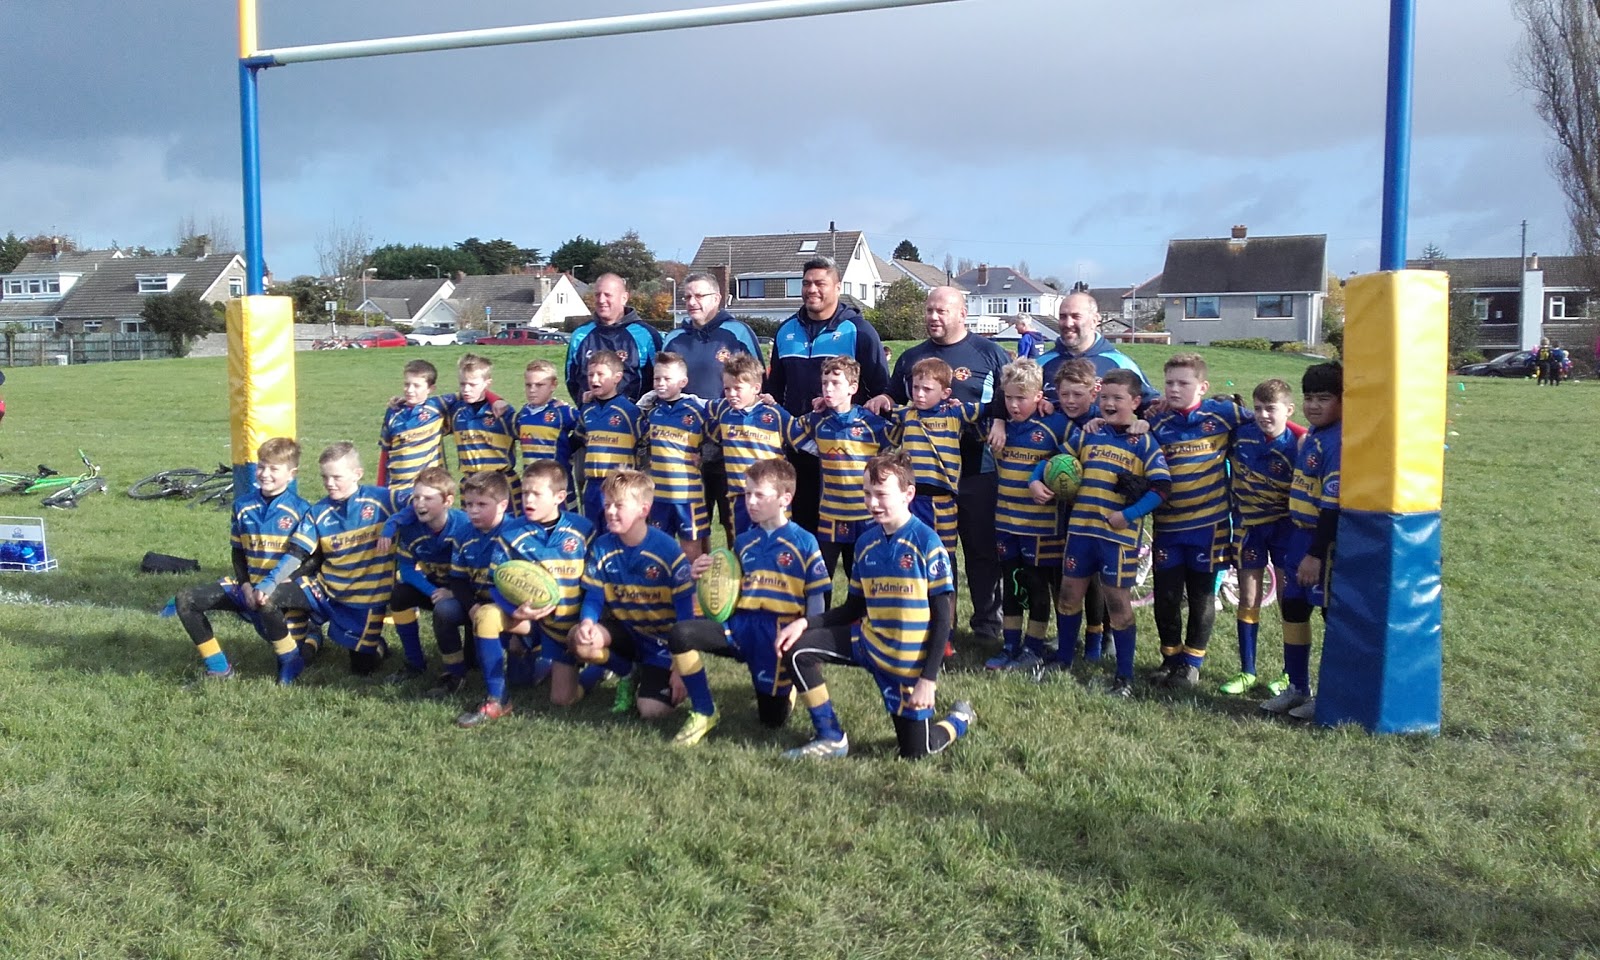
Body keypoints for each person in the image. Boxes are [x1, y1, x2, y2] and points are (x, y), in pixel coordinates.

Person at [775, 451, 975, 760]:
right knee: (797, 649)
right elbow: (853, 609)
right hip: (867, 643)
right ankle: (830, 736)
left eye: (881, 494)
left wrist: (928, 680)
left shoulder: (927, 543)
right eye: (867, 493)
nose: (872, 502)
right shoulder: (866, 542)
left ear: (909, 494)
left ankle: (959, 719)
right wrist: (805, 623)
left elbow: (942, 619)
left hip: (905, 661)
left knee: (916, 752)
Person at [867, 286, 1011, 645]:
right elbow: (895, 397)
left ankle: (986, 626)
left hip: (978, 470)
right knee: (935, 552)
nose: (933, 316)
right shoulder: (912, 356)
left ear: (963, 314)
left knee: (981, 551)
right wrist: (885, 397)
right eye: (929, 310)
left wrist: (1001, 420)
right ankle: (940, 624)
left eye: (941, 311)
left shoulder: (989, 353)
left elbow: (1011, 398)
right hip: (927, 480)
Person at [667, 458, 828, 747]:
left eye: (759, 495)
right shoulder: (743, 541)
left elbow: (816, 600)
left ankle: (786, 687)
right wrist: (700, 575)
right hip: (741, 627)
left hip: (777, 634)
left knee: (771, 720)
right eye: (747, 493)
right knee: (681, 634)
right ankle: (704, 710)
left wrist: (808, 645)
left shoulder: (805, 542)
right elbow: (727, 591)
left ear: (785, 499)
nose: (750, 502)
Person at [1051, 370, 1171, 698]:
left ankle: (1124, 677)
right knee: (1068, 595)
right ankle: (1063, 660)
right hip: (1081, 530)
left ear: (1135, 402)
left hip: (1118, 537)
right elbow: (1057, 461)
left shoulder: (1144, 441)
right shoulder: (1089, 433)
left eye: (1118, 398)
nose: (1109, 403)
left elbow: (1161, 488)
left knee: (1117, 603)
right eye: (1104, 397)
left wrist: (1127, 515)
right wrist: (1038, 480)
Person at [1143, 353, 1251, 688]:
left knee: (1202, 594)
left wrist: (1300, 433)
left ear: (1202, 387)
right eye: (1169, 382)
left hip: (1210, 526)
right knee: (1166, 596)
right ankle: (1170, 658)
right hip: (1168, 525)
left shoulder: (1224, 414)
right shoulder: (1157, 421)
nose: (1174, 389)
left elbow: (1264, 420)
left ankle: (1192, 663)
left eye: (1183, 383)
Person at [172, 438, 314, 684]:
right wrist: (245, 584)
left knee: (291, 640)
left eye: (274, 469)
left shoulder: (303, 510)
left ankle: (297, 654)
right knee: (186, 599)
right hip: (249, 588)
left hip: (282, 593)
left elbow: (312, 560)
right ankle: (219, 669)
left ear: (292, 474)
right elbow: (238, 552)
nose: (265, 474)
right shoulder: (242, 505)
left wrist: (279, 585)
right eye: (261, 466)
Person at [765, 256, 890, 532]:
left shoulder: (859, 331)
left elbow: (881, 390)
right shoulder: (786, 330)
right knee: (805, 531)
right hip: (799, 449)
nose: (812, 289)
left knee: (854, 538)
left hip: (846, 454)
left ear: (837, 286)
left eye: (820, 283)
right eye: (807, 283)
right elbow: (774, 390)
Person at [260, 443, 405, 677]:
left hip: (366, 600)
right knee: (274, 596)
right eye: (324, 477)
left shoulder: (384, 500)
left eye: (336, 477)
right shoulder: (319, 511)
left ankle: (375, 645)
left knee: (361, 670)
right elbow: (297, 552)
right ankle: (291, 658)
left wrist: (393, 526)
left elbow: (423, 501)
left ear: (357, 474)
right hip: (325, 589)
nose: (329, 483)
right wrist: (271, 581)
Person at [569, 468, 697, 720]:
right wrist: (587, 621)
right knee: (581, 639)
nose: (610, 511)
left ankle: (649, 673)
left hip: (662, 642)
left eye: (619, 505)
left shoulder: (667, 550)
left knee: (651, 711)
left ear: (644, 511)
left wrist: (680, 666)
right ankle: (626, 672)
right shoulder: (602, 546)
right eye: (607, 505)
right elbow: (594, 597)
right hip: (626, 632)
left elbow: (685, 614)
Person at [1261, 362, 1343, 720]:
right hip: (1296, 536)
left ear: (1343, 401)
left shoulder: (1339, 441)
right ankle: (1297, 687)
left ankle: (1330, 695)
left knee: (1329, 616)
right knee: (1292, 610)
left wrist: (1315, 555)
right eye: (1309, 397)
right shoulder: (1311, 435)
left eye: (1324, 398)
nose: (1314, 405)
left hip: (1319, 544)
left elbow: (1332, 507)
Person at [661, 272, 764, 547]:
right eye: (687, 296)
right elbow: (661, 384)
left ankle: (740, 586)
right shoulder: (674, 338)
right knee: (694, 526)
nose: (692, 302)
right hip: (686, 448)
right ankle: (698, 587)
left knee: (735, 524)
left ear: (717, 298)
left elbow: (757, 381)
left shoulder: (737, 333)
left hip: (731, 444)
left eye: (699, 296)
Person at [987, 358, 1073, 671]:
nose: (1013, 405)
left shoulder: (1055, 426)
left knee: (1037, 586)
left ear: (1039, 397)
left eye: (1021, 398)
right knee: (1011, 585)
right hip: (1005, 522)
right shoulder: (1000, 426)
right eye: (1008, 398)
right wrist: (997, 418)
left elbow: (1075, 457)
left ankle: (1033, 647)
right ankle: (1010, 644)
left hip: (1041, 526)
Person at [786, 356, 891, 601]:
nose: (828, 388)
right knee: (821, 580)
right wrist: (816, 448)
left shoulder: (871, 423)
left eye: (835, 383)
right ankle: (817, 629)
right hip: (831, 516)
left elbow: (895, 439)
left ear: (853, 388)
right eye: (824, 383)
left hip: (865, 516)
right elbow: (791, 430)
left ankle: (861, 628)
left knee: (865, 577)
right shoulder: (817, 420)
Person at [1222, 378, 1302, 697]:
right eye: (1258, 408)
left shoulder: (1299, 444)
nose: (1264, 415)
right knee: (1249, 597)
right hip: (1248, 528)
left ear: (1289, 410)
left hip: (1285, 528)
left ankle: (1289, 674)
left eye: (1271, 409)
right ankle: (1247, 672)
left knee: (1288, 600)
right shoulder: (1241, 436)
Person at [511, 460, 601, 710]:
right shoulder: (511, 533)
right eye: (524, 492)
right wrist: (514, 611)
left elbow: (595, 584)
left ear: (559, 497)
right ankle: (536, 656)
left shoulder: (582, 529)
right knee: (520, 683)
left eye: (536, 494)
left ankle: (601, 669)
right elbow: (498, 582)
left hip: (574, 621)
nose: (528, 499)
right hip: (536, 622)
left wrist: (589, 620)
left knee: (562, 700)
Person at [445, 470, 529, 726]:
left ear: (503, 505)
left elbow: (531, 586)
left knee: (524, 680)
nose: (473, 511)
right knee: (445, 610)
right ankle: (461, 676)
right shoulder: (463, 534)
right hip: (481, 606)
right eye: (468, 504)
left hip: (519, 611)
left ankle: (535, 653)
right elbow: (457, 580)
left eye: (482, 504)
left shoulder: (517, 532)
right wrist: (470, 606)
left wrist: (518, 629)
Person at [379, 466, 475, 683]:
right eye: (416, 497)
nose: (420, 504)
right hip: (436, 590)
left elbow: (477, 574)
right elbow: (406, 570)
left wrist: (453, 593)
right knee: (400, 594)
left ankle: (462, 667)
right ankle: (415, 663)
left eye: (428, 498)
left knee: (474, 661)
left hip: (467, 593)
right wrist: (434, 592)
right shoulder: (410, 527)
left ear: (448, 501)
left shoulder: (465, 526)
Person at [1041, 359, 1109, 668]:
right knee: (1063, 573)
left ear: (1094, 392)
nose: (1070, 401)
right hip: (1062, 509)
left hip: (1098, 513)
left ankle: (1098, 638)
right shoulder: (1052, 415)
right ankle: (1068, 634)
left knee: (1095, 578)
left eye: (1077, 395)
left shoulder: (1102, 420)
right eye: (1064, 394)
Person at [705, 352, 794, 536]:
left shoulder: (775, 414)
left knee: (776, 547)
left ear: (756, 388)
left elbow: (802, 436)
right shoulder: (722, 411)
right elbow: (697, 408)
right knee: (743, 548)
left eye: (737, 388)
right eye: (727, 389)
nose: (731, 394)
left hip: (772, 496)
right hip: (739, 496)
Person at [1038, 291, 1158, 410]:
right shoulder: (1039, 364)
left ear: (1095, 320)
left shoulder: (1121, 363)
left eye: (1076, 316)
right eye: (1063, 317)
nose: (1068, 323)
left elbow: (1152, 408)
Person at [642, 352, 709, 562]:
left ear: (683, 382)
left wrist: (704, 455)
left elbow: (718, 437)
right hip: (659, 496)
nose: (660, 384)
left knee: (691, 550)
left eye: (667, 379)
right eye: (657, 379)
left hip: (688, 497)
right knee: (659, 549)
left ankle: (693, 594)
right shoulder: (651, 411)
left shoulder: (697, 410)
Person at [564, 273, 663, 404]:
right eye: (597, 295)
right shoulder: (580, 334)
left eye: (607, 295)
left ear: (624, 298)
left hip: (633, 420)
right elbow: (571, 380)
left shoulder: (646, 335)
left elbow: (661, 378)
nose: (601, 300)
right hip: (592, 418)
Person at [573, 350, 644, 528]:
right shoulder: (587, 410)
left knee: (618, 532)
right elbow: (576, 440)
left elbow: (645, 444)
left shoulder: (630, 412)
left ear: (617, 377)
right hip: (593, 485)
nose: (594, 380)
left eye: (600, 374)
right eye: (590, 374)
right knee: (592, 533)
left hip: (619, 485)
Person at [446, 353, 518, 491]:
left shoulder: (502, 411)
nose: (466, 389)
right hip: (469, 483)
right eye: (462, 384)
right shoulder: (456, 411)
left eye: (472, 384)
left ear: (487, 383)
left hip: (501, 482)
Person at [377, 359, 450, 492]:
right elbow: (384, 453)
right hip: (397, 489)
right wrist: (380, 488)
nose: (410, 390)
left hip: (429, 489)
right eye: (407, 384)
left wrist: (496, 400)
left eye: (416, 386)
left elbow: (473, 392)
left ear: (431, 389)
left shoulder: (438, 407)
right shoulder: (393, 412)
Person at [516, 359, 580, 486]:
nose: (532, 390)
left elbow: (588, 424)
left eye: (539, 385)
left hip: (557, 482)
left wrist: (570, 448)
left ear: (553, 385)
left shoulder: (563, 411)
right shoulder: (523, 413)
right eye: (528, 385)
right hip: (532, 481)